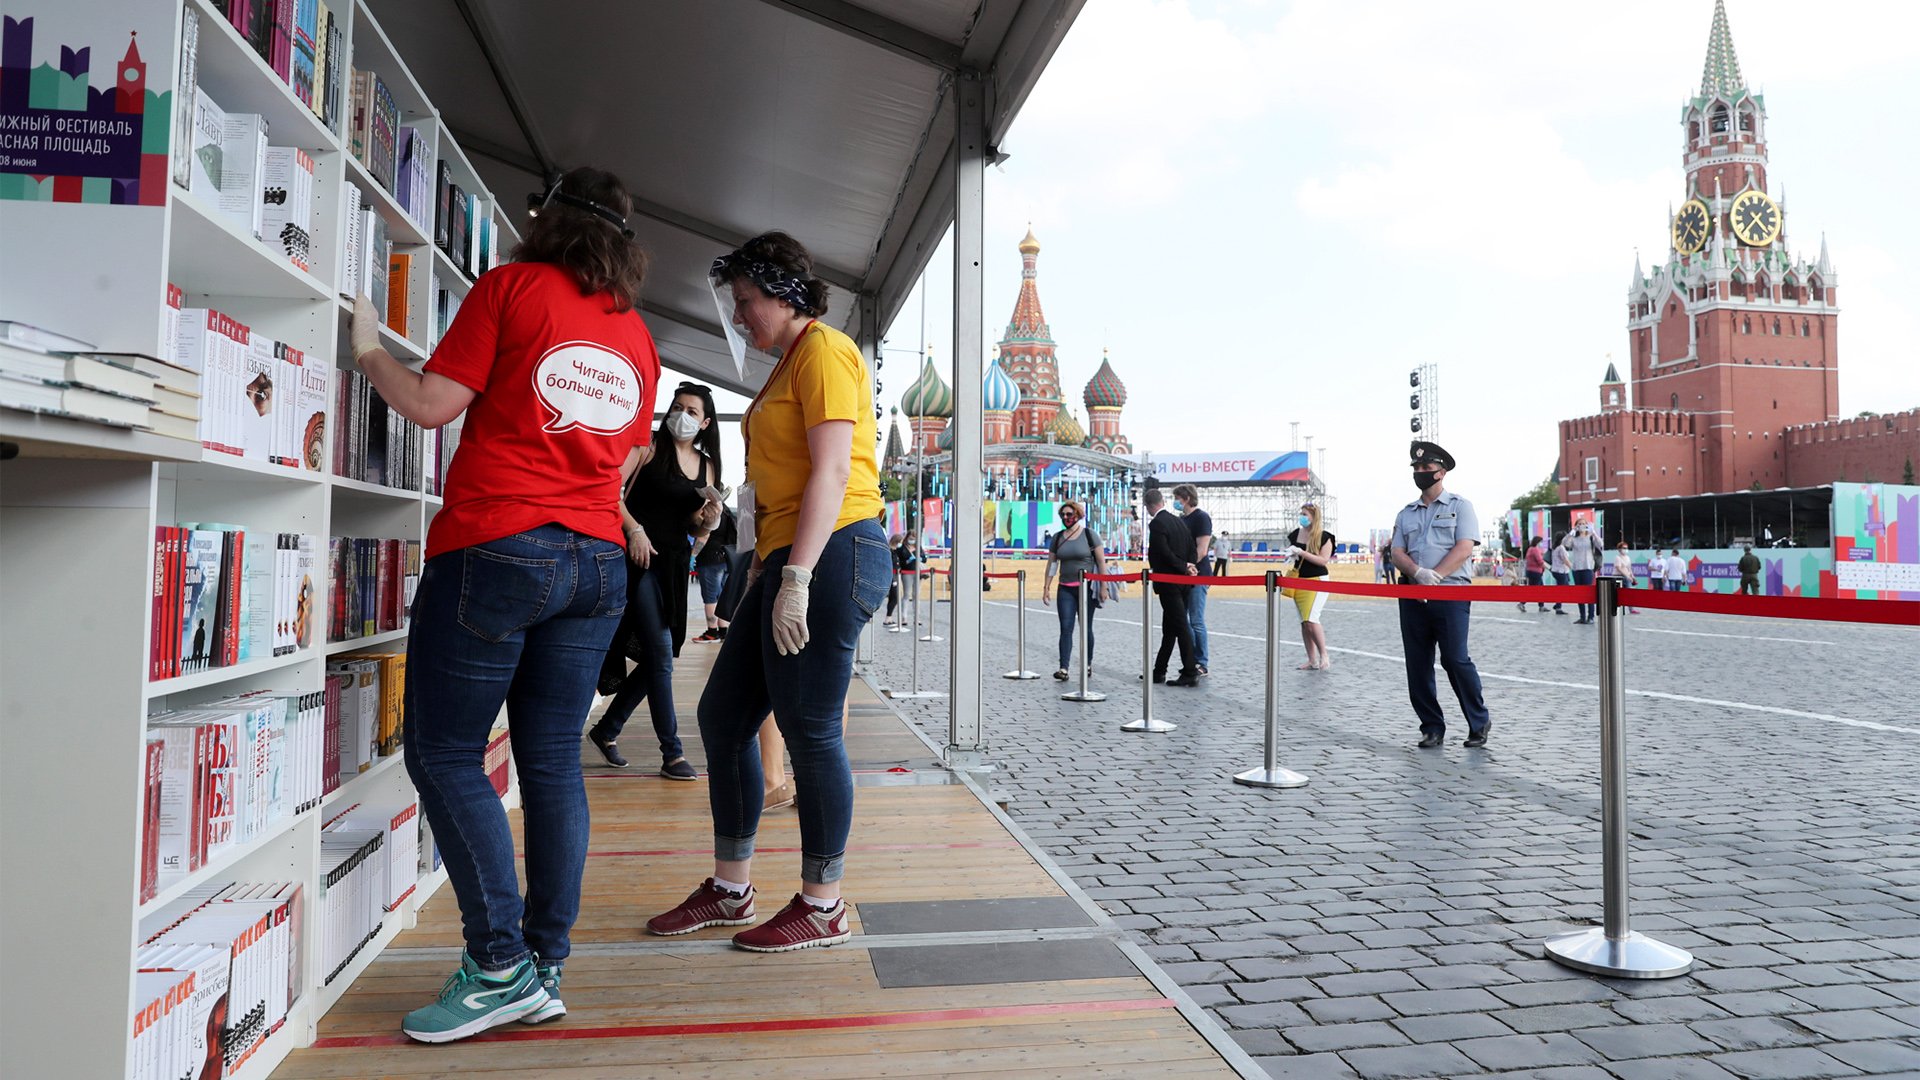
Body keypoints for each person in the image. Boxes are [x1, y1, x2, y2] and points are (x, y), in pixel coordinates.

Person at [352, 166, 657, 1041]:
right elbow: (627, 455)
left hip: (498, 544)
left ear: (548, 222)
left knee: (446, 752)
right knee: (554, 761)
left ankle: (496, 965)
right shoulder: (636, 336)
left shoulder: (509, 288)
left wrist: (370, 344)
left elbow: (427, 404)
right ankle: (542, 962)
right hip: (598, 558)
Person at [647, 231, 886, 952]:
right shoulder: (785, 364)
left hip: (835, 551)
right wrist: (766, 568)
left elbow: (833, 472)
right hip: (788, 556)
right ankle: (731, 887)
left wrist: (800, 576)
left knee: (810, 729)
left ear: (784, 294)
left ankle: (824, 902)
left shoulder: (824, 352)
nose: (741, 316)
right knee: (724, 718)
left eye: (747, 301)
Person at [587, 382, 723, 780]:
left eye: (692, 411)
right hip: (637, 559)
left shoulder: (706, 465)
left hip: (674, 566)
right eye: (678, 407)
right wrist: (635, 531)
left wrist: (710, 520)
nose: (682, 415)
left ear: (705, 422)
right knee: (661, 654)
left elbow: (698, 524)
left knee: (659, 658)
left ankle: (607, 729)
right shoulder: (646, 448)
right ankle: (672, 753)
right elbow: (610, 491)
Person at [1390, 441, 1491, 750]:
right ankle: (1431, 726)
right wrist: (1417, 573)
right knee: (1417, 663)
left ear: (1441, 472)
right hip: (1412, 594)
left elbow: (1464, 548)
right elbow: (1396, 551)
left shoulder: (1460, 506)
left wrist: (1436, 577)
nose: (1421, 472)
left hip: (1450, 594)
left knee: (1456, 659)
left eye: (1426, 468)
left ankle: (1478, 721)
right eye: (1417, 468)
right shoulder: (1406, 513)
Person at [1042, 499, 1105, 680]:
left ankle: (1087, 664)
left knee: (1086, 627)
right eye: (1063, 515)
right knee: (1066, 628)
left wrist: (1104, 586)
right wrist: (1046, 586)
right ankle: (1064, 668)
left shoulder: (1089, 535)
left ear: (1077, 515)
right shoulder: (1058, 537)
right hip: (1065, 589)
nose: (1066, 517)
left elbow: (1101, 561)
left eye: (1069, 514)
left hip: (1086, 588)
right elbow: (1052, 564)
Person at [1144, 487, 1200, 687]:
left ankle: (1190, 671)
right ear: (1162, 501)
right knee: (1170, 628)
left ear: (1148, 506)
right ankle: (1159, 671)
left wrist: (1182, 566)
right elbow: (1192, 547)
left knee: (1180, 626)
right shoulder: (1179, 521)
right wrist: (1190, 566)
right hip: (1184, 582)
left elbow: (1162, 551)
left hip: (1168, 582)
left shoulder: (1157, 523)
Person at [1286, 502, 1336, 670]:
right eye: (1301, 513)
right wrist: (1291, 555)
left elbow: (1323, 560)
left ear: (1314, 517)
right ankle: (1311, 659)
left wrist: (1302, 552)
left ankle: (1324, 655)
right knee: (1304, 622)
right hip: (1299, 580)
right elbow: (1295, 558)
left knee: (1312, 618)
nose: (1302, 517)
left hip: (1317, 579)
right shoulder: (1294, 535)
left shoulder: (1324, 536)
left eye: (1305, 514)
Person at [1172, 484, 1214, 676]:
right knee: (1182, 619)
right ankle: (1191, 658)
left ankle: (1202, 662)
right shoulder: (1182, 519)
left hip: (1198, 574)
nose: (1176, 502)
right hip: (1184, 574)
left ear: (1186, 498)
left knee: (1196, 619)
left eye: (1177, 498)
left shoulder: (1201, 517)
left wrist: (1190, 565)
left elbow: (1202, 549)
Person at [692, 505, 737, 642]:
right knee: (722, 595)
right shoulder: (727, 512)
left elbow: (703, 537)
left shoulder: (710, 511)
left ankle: (712, 632)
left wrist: (692, 555)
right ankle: (723, 631)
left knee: (710, 597)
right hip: (726, 558)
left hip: (710, 559)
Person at [1562, 520, 1604, 624]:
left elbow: (1600, 544)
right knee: (1579, 594)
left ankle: (1591, 616)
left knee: (1588, 593)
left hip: (1588, 567)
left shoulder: (1590, 537)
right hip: (1576, 568)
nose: (1581, 526)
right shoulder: (1574, 539)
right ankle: (1582, 616)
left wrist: (1593, 532)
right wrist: (1571, 533)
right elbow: (1565, 543)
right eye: (1579, 524)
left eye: (1583, 523)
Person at [883, 532, 912, 629]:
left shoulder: (895, 550)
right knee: (895, 597)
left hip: (896, 574)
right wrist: (893, 580)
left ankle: (889, 618)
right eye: (900, 541)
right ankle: (888, 618)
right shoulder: (889, 550)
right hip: (892, 575)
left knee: (893, 597)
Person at [1612, 542, 1642, 614]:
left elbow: (1629, 568)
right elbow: (1619, 568)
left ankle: (1631, 609)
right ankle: (1615, 609)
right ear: (1619, 549)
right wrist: (1627, 576)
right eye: (1624, 548)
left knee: (1629, 593)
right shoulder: (1617, 557)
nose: (1625, 550)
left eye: (1626, 548)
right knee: (1617, 594)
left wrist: (1632, 577)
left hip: (1627, 577)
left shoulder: (1628, 558)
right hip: (1618, 577)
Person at [1520, 536, 1548, 612]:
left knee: (1540, 589)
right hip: (1535, 572)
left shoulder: (1530, 549)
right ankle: (1521, 603)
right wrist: (1549, 568)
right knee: (1533, 590)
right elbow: (1540, 561)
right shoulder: (1535, 550)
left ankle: (1541, 606)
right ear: (1537, 542)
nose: (1542, 544)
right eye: (1541, 542)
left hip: (1530, 571)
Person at [1548, 531, 1572, 614]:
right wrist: (1572, 567)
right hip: (1561, 571)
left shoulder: (1555, 547)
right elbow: (1565, 560)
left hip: (1557, 570)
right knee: (1564, 589)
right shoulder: (1561, 548)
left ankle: (1557, 604)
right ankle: (1558, 606)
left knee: (1562, 588)